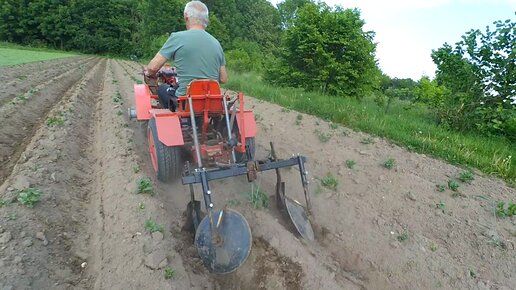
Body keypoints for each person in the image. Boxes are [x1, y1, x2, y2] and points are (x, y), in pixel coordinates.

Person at [144, 1, 228, 110]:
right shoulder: (217, 43)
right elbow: (223, 78)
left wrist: (148, 72)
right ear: (206, 20)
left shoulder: (177, 38)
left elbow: (153, 67)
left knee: (162, 90)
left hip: (185, 101)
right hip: (211, 101)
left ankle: (170, 116)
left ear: (186, 17)